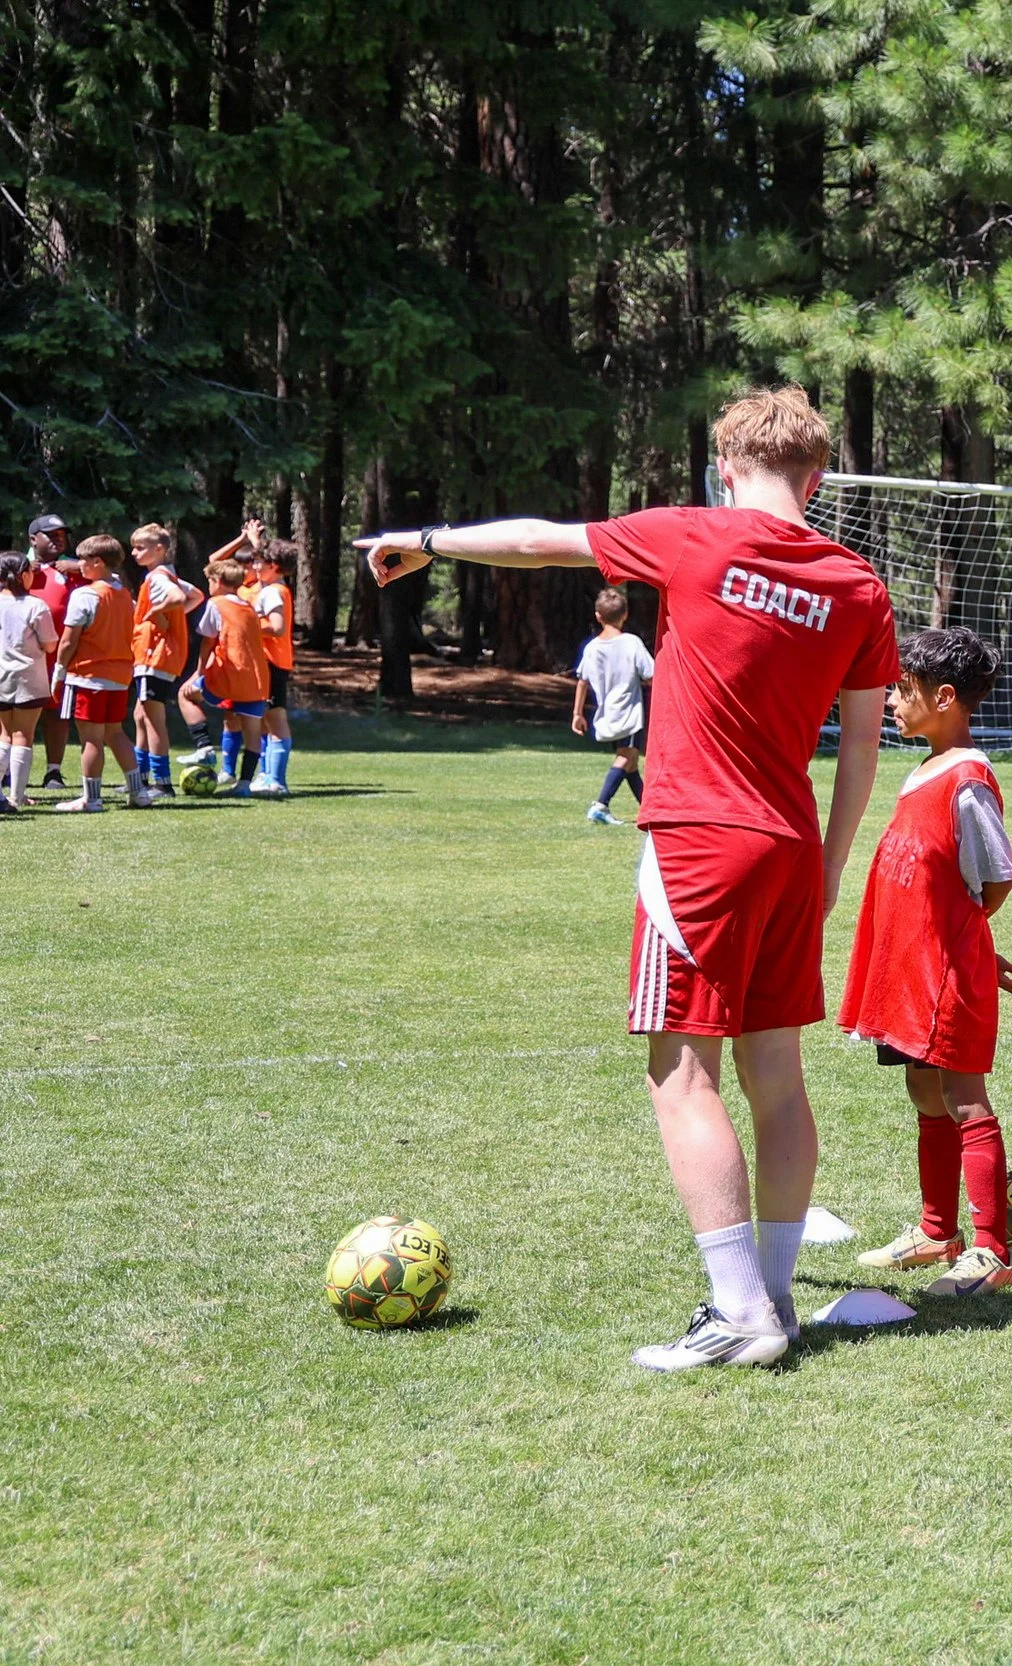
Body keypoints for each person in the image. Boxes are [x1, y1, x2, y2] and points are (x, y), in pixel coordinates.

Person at [358, 385, 894, 1371]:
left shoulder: (694, 535)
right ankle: (772, 1299)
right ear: (815, 479)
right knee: (775, 1078)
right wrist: (828, 866)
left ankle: (742, 1314)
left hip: (697, 839)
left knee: (680, 1073)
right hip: (786, 848)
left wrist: (430, 537)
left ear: (726, 466)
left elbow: (539, 542)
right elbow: (861, 748)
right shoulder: (857, 584)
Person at [841, 625, 1012, 1298]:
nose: (893, 700)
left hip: (944, 972)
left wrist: (971, 948)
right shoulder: (924, 769)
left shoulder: (968, 779)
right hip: (912, 970)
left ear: (945, 697)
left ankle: (992, 1252)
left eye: (905, 690)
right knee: (924, 1090)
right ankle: (936, 1229)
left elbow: (994, 881)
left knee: (963, 1096)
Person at [48, 535, 155, 812]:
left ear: (98, 562)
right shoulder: (123, 595)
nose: (79, 564)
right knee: (116, 733)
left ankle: (91, 799)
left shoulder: (85, 594)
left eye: (83, 559)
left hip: (88, 675)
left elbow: (69, 640)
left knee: (91, 738)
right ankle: (138, 792)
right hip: (119, 676)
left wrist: (59, 671)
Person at [180, 559, 270, 794]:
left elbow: (208, 640)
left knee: (185, 695)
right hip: (257, 678)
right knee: (252, 730)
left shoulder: (216, 603)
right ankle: (244, 784)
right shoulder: (248, 606)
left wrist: (197, 673)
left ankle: (204, 747)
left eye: (209, 581)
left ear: (217, 582)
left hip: (230, 673)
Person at [127, 523, 202, 793]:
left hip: (153, 655)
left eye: (140, 548)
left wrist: (155, 611)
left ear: (159, 549)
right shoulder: (166, 574)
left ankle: (162, 782)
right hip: (158, 656)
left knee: (152, 719)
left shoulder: (157, 578)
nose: (134, 553)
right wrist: (175, 615)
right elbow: (196, 596)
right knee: (140, 715)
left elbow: (179, 597)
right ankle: (139, 778)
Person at [572, 586, 654, 825]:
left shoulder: (591, 648)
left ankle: (649, 810)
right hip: (629, 712)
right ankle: (600, 805)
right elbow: (651, 674)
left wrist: (577, 713)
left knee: (630, 764)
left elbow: (582, 682)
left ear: (598, 615)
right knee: (625, 757)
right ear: (625, 614)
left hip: (607, 713)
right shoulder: (632, 643)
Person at [0, 551, 59, 810]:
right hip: (29, 676)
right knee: (23, 735)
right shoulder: (36, 606)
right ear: (24, 575)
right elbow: (49, 643)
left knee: (3, 735)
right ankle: (16, 795)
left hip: (1, 675)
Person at [26, 514, 72, 790]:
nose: (59, 539)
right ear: (33, 539)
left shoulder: (71, 571)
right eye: (51, 535)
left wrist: (78, 567)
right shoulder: (15, 568)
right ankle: (7, 770)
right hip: (19, 658)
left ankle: (53, 772)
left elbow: (110, 578)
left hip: (59, 657)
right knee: (14, 714)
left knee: (56, 714)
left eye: (62, 535)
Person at [249, 539, 299, 796]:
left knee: (275, 719)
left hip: (272, 662)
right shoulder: (271, 589)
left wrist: (247, 626)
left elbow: (277, 627)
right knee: (266, 720)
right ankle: (267, 776)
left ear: (276, 566)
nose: (255, 566)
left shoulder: (273, 592)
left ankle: (277, 780)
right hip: (267, 661)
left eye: (260, 562)